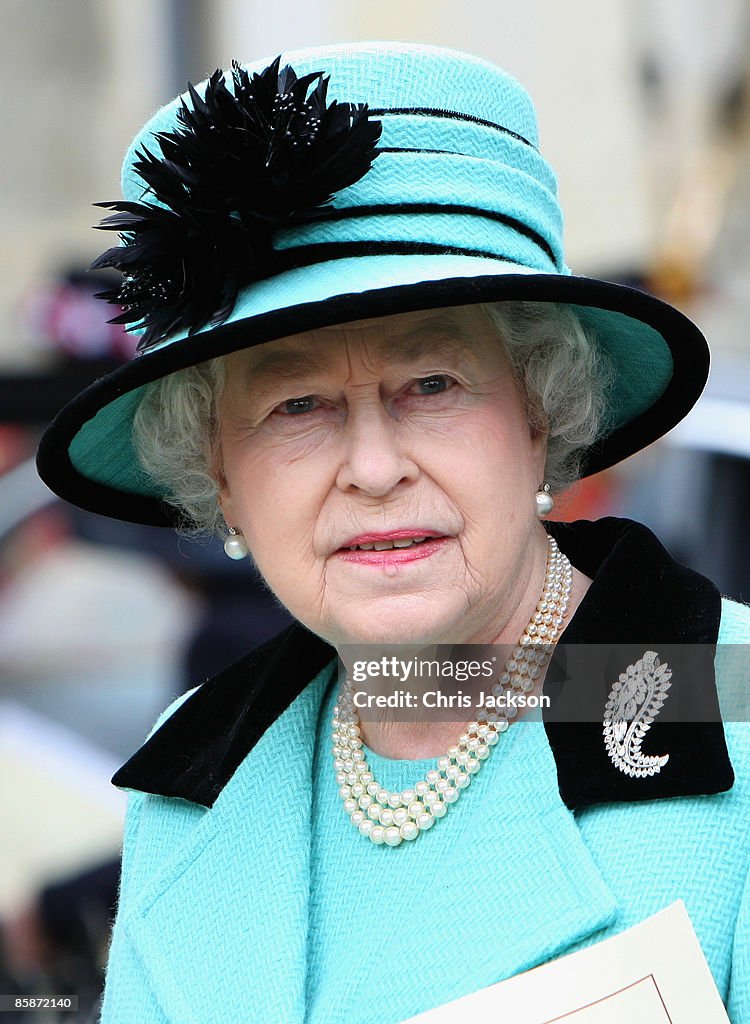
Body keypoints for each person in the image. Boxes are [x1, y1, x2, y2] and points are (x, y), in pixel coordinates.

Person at [36, 41, 750, 1024]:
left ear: (537, 415)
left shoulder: (733, 708)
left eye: (431, 385)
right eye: (296, 405)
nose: (374, 468)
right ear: (222, 479)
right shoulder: (194, 776)